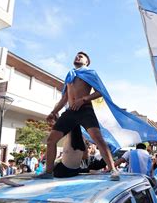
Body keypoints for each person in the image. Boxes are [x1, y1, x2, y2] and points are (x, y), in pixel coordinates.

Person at [43, 52, 119, 180]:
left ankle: (113, 170)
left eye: (81, 56)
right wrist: (53, 112)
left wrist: (83, 99)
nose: (77, 57)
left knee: (98, 139)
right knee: (51, 140)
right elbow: (65, 98)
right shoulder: (70, 75)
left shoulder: (90, 73)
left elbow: (100, 92)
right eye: (76, 56)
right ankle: (48, 172)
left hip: (85, 110)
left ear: (87, 62)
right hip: (71, 111)